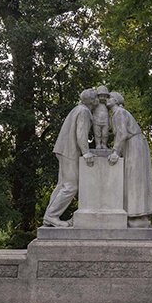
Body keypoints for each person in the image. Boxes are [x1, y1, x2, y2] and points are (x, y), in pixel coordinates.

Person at [42, 89, 98, 227]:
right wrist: (86, 153)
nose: (98, 100)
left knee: (62, 185)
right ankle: (52, 216)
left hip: (64, 149)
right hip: (70, 151)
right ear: (92, 100)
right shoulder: (84, 111)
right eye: (96, 97)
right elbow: (81, 133)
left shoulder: (77, 109)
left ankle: (48, 216)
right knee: (71, 186)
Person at [106, 92, 152, 227]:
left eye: (109, 97)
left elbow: (122, 133)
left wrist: (116, 152)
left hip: (134, 145)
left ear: (116, 100)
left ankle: (138, 216)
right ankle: (136, 215)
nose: (106, 99)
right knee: (133, 179)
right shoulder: (117, 113)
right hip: (133, 145)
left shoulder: (119, 112)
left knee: (135, 179)